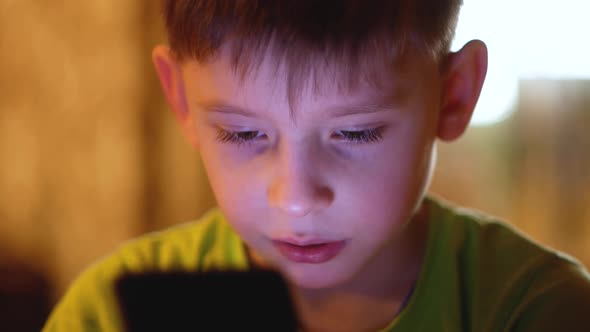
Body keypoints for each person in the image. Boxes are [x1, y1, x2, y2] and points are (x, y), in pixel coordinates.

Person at [43, 1, 590, 331]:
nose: (297, 197)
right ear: (181, 99)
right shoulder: (110, 313)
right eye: (243, 133)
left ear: (453, 95)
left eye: (355, 132)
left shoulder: (535, 313)